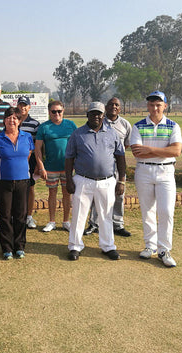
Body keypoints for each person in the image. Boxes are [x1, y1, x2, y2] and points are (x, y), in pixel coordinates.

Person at [65, 102, 126, 261]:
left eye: (99, 114)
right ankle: (75, 246)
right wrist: (68, 181)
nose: (96, 117)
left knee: (106, 214)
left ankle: (108, 246)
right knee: (79, 214)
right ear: (88, 115)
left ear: (103, 115)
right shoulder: (78, 134)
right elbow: (69, 158)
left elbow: (120, 158)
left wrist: (122, 181)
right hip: (83, 180)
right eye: (93, 114)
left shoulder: (112, 134)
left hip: (107, 181)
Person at [130, 91, 182, 267]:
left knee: (166, 211)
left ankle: (164, 249)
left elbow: (176, 151)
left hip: (166, 172)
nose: (155, 108)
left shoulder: (173, 126)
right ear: (147, 106)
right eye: (151, 104)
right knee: (147, 211)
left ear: (165, 106)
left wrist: (150, 150)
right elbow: (137, 151)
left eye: (158, 104)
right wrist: (163, 150)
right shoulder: (137, 126)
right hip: (144, 172)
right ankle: (150, 246)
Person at [0, 107, 34, 260]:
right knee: (5, 215)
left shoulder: (27, 137)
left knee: (20, 214)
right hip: (3, 181)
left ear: (19, 120)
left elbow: (27, 155)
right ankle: (7, 247)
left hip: (22, 181)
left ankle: (19, 246)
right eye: (9, 117)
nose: (12, 120)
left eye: (15, 117)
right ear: (4, 120)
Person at [85, 97, 132, 237]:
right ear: (105, 108)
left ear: (120, 108)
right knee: (96, 195)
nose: (114, 107)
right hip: (100, 167)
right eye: (111, 104)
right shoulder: (98, 120)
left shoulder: (125, 124)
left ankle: (117, 224)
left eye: (117, 104)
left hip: (117, 166)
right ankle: (94, 224)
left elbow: (126, 145)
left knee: (119, 195)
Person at [35, 100, 76, 232]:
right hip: (50, 167)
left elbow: (77, 146)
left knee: (66, 194)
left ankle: (65, 221)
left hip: (68, 168)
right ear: (49, 112)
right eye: (54, 111)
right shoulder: (44, 127)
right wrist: (41, 167)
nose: (56, 114)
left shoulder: (71, 125)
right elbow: (38, 149)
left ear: (63, 111)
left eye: (59, 111)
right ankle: (51, 221)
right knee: (52, 194)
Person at [18, 96, 40, 229]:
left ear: (29, 107)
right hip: (16, 160)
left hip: (30, 160)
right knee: (16, 187)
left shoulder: (35, 124)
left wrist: (38, 163)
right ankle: (18, 215)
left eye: (25, 105)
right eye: (20, 105)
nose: (23, 107)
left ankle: (29, 216)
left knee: (30, 187)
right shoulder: (13, 120)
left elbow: (38, 146)